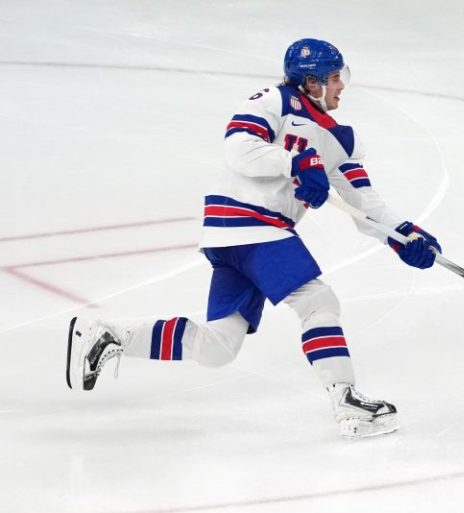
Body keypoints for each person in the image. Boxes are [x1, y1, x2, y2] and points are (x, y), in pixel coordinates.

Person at [65, 38, 441, 439]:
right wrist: (296, 162)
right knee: (317, 302)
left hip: (240, 235)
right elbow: (239, 149)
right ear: (310, 82)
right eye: (333, 77)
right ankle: (346, 400)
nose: (341, 86)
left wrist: (405, 236)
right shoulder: (275, 101)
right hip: (250, 221)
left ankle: (111, 337)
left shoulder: (341, 139)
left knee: (218, 347)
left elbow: (365, 204)